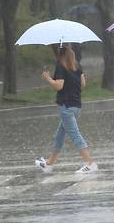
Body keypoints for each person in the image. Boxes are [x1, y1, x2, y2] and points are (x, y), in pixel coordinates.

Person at [35, 44, 98, 174]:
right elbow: (82, 84)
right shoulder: (76, 65)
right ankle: (49, 164)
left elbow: (59, 86)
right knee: (59, 135)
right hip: (76, 106)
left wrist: (48, 79)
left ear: (57, 52)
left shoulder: (60, 65)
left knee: (75, 135)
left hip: (67, 108)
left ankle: (90, 164)